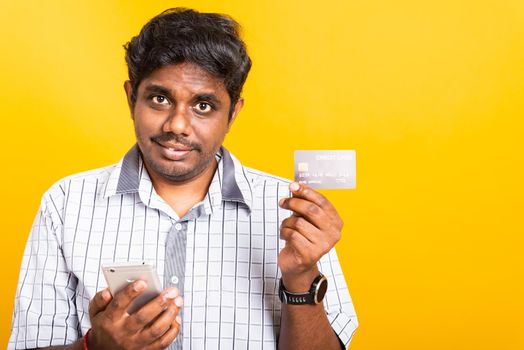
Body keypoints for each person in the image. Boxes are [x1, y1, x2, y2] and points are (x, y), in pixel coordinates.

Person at [8, 8, 358, 350]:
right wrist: (95, 346)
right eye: (160, 99)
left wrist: (300, 278)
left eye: (203, 106)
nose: (177, 125)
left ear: (233, 113)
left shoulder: (293, 215)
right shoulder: (67, 203)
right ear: (132, 99)